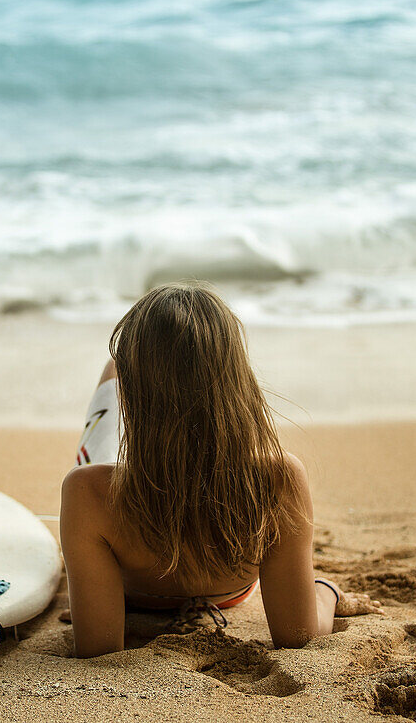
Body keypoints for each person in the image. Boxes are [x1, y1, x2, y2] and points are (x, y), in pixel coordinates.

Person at [60, 282, 383, 658]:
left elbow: (97, 649)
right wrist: (325, 590)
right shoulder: (279, 480)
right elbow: (300, 636)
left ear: (134, 396)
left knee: (114, 366)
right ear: (239, 381)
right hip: (229, 593)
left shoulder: (87, 491)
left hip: (131, 586)